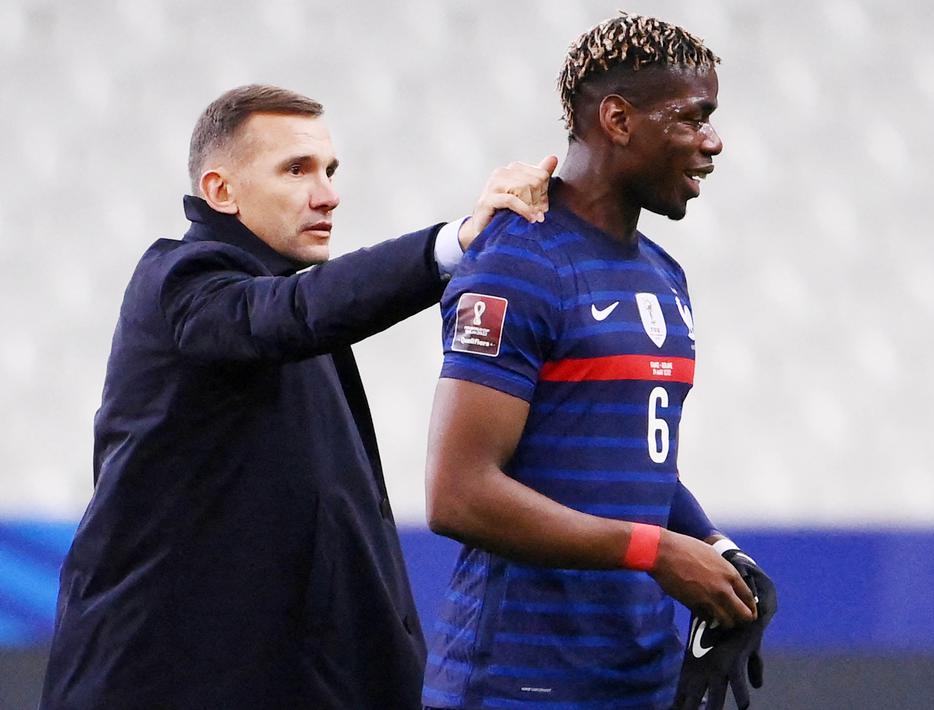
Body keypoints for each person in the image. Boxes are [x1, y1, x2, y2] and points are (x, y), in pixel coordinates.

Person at [40, 84, 555, 710]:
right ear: (221, 191)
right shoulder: (182, 281)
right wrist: (455, 242)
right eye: (296, 169)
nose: (328, 194)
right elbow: (293, 312)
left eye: (330, 170)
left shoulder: (289, 308)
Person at [421, 14, 775, 710]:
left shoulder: (663, 275)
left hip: (640, 681)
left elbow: (638, 468)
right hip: (518, 686)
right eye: (692, 118)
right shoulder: (516, 264)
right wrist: (659, 552)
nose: (713, 142)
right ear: (617, 120)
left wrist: (717, 550)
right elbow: (458, 494)